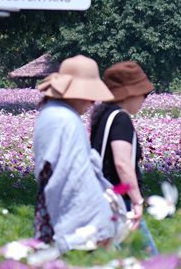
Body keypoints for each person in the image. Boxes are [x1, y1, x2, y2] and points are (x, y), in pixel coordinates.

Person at [33, 56, 120, 253]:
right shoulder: (66, 120)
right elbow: (76, 180)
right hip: (77, 226)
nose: (93, 100)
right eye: (88, 93)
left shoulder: (51, 113)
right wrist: (96, 227)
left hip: (52, 213)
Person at [90, 61, 159, 255]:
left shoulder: (103, 116)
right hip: (121, 201)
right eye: (144, 93)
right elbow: (122, 163)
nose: (144, 99)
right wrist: (137, 200)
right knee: (150, 262)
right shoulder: (121, 118)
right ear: (131, 92)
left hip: (104, 198)